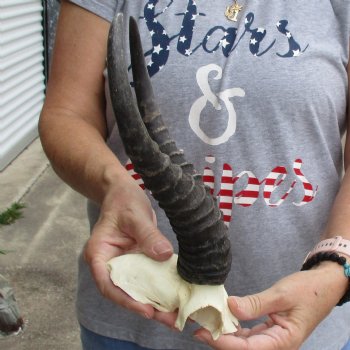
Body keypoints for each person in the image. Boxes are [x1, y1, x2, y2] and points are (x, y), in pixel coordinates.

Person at [39, 0, 350, 349]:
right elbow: (67, 113)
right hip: (133, 317)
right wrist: (113, 185)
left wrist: (337, 266)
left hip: (308, 325)